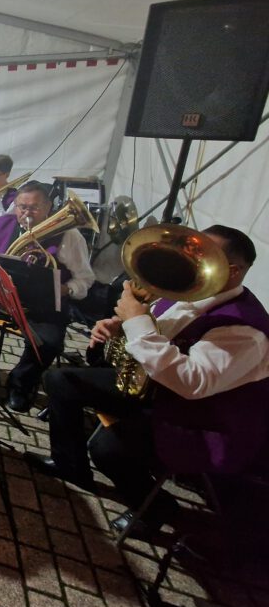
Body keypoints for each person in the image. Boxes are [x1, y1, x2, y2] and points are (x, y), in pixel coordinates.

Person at [26, 225, 269, 536]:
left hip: (203, 421)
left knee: (107, 447)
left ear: (233, 271)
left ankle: (158, 508)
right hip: (158, 389)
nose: (187, 261)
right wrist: (119, 327)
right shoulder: (190, 292)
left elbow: (192, 383)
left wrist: (137, 321)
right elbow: (159, 334)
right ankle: (69, 464)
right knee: (61, 380)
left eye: (202, 256)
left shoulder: (244, 330)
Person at [0, 180, 94, 411]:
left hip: (39, 304)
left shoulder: (69, 236)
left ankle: (21, 383)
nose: (26, 214)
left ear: (49, 206)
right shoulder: (3, 223)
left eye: (33, 208)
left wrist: (66, 289)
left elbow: (85, 278)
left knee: (49, 342)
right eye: (22, 207)